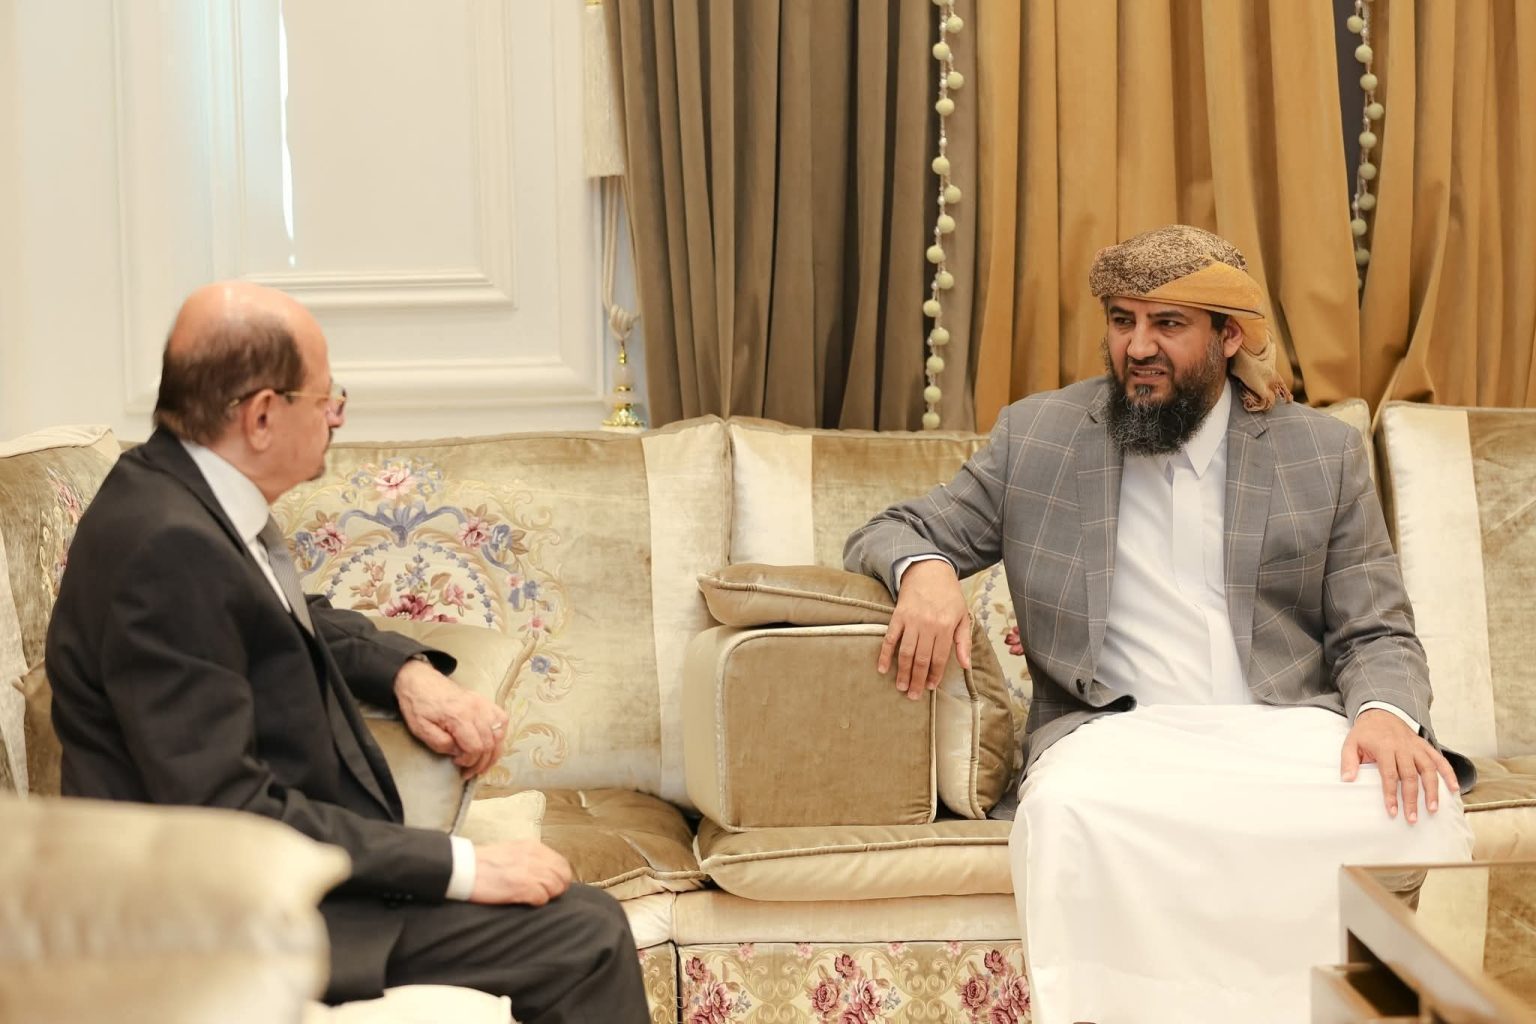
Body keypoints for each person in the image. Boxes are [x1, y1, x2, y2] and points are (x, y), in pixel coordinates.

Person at [844, 225, 1476, 1024]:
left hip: (1282, 733)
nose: (1137, 347)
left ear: (1228, 336)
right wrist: (926, 571)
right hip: (1116, 740)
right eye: (1122, 321)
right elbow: (891, 529)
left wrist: (1384, 714)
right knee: (1069, 815)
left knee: (1414, 809)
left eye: (1167, 324)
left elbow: (1375, 628)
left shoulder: (1320, 453)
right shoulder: (1039, 437)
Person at [45, 282, 649, 1023]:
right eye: (326, 398)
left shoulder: (173, 492)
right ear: (262, 415)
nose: (336, 416)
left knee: (580, 918)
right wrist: (464, 867)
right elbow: (226, 814)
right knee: (585, 936)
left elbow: (282, 612)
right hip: (215, 919)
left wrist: (405, 672)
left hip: (250, 884)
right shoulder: (169, 549)